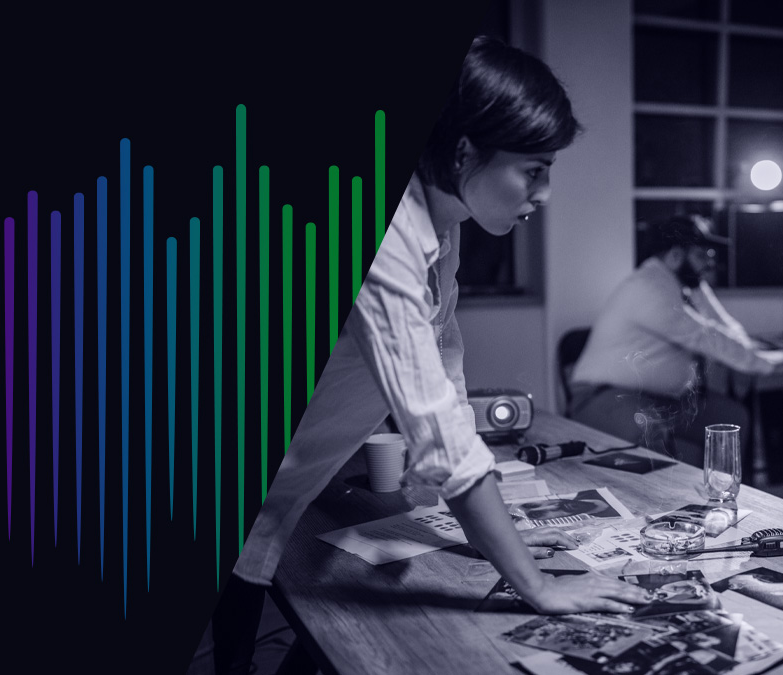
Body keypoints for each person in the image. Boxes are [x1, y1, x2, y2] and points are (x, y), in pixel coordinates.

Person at [208, 37, 648, 673]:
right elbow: (438, 427)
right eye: (534, 169)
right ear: (465, 151)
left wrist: (501, 540)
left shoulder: (443, 225)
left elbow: (445, 367)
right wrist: (540, 587)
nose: (546, 192)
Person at [568, 214, 783, 467]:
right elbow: (705, 337)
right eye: (701, 256)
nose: (709, 264)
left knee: (732, 418)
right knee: (651, 431)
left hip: (659, 398)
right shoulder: (649, 287)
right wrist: (770, 364)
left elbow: (727, 330)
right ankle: (668, 505)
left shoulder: (680, 286)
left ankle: (722, 494)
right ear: (676, 256)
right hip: (605, 397)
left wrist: (699, 289)